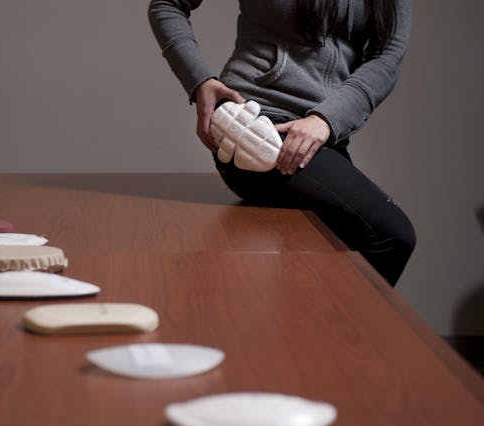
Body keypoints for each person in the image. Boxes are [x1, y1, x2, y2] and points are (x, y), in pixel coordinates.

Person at [148, 0, 415, 286]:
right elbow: (167, 4)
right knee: (392, 236)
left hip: (323, 133)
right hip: (257, 125)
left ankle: (324, 331)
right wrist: (200, 81)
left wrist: (327, 120)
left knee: (331, 259)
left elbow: (387, 55)